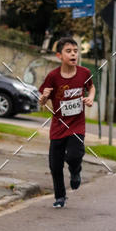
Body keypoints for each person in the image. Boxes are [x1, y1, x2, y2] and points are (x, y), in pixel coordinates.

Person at [39, 36, 95, 208]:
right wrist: (44, 97)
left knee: (74, 155)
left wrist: (90, 98)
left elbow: (91, 87)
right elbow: (41, 101)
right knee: (55, 165)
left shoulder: (84, 73)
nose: (73, 54)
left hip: (77, 125)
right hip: (58, 127)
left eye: (75, 51)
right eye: (68, 51)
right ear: (59, 56)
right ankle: (60, 197)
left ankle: (75, 171)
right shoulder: (53, 76)